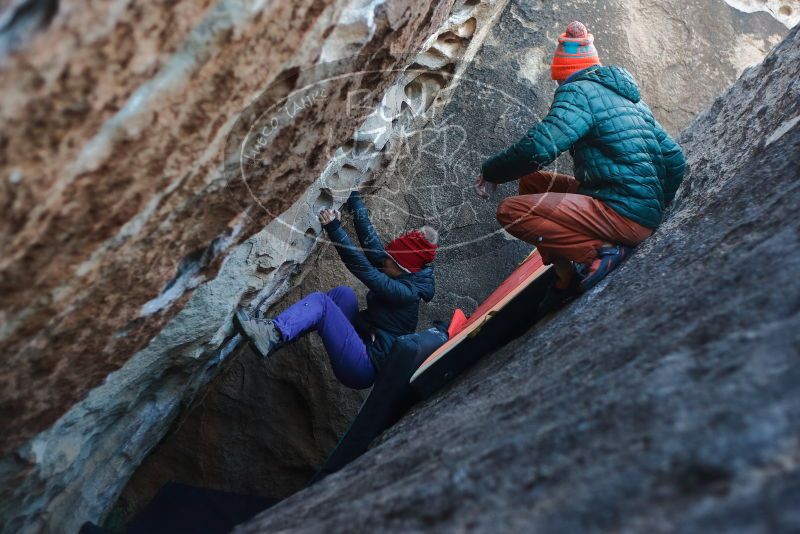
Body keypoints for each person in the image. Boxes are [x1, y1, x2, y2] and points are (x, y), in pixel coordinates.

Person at [475, 21, 685, 306]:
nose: (557, 85)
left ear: (564, 73)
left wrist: (492, 172)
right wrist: (655, 206)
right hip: (633, 208)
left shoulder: (577, 92)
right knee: (532, 182)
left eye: (558, 79)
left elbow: (540, 146)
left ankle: (597, 251)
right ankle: (566, 273)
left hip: (620, 214)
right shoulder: (630, 99)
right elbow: (674, 158)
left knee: (511, 212)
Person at [234, 190, 439, 390]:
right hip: (362, 339)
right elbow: (373, 246)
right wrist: (353, 196)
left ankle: (273, 334)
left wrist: (333, 227)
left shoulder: (405, 294)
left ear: (401, 268)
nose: (383, 260)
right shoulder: (404, 271)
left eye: (388, 260)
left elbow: (364, 269)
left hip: (364, 366)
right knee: (343, 295)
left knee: (322, 304)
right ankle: (275, 340)